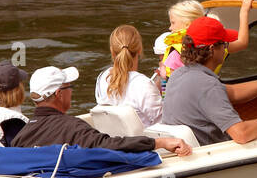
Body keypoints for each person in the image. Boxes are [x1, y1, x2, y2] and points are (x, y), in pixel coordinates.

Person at [163, 16, 257, 146]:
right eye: (224, 44)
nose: (226, 49)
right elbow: (242, 134)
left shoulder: (179, 74)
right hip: (215, 156)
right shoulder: (207, 85)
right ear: (212, 49)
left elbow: (233, 92)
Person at [12, 65, 191, 156]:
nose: (72, 91)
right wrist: (159, 143)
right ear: (59, 94)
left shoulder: (21, 136)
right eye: (69, 87)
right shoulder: (73, 128)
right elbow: (110, 145)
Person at [154, 0, 254, 94]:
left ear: (188, 24)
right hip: (208, 92)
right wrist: (244, 12)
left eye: (173, 23)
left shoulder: (175, 54)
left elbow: (170, 85)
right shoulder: (216, 46)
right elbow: (242, 42)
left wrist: (162, 69)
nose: (170, 27)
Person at [95, 24, 164, 127]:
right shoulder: (143, 85)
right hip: (143, 142)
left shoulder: (103, 78)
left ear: (112, 50)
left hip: (110, 140)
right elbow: (164, 122)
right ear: (140, 49)